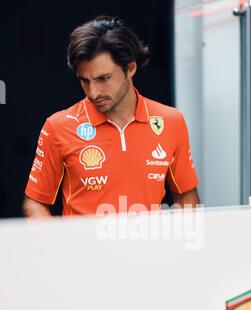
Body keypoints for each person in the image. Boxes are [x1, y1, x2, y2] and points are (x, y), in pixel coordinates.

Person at [23, 16, 200, 218]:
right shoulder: (58, 126)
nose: (93, 92)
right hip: (83, 249)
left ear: (130, 68)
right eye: (84, 80)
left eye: (103, 79)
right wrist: (58, 248)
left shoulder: (171, 121)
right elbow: (36, 201)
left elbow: (186, 195)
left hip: (146, 247)